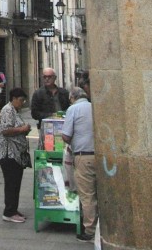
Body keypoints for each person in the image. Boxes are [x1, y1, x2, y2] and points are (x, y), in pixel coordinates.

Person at [62, 86, 98, 243]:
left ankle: (90, 231)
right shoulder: (93, 106)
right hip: (99, 155)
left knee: (87, 195)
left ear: (72, 97)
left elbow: (66, 136)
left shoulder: (73, 109)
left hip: (83, 156)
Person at [0, 86, 32, 223]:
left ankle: (13, 209)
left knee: (16, 182)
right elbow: (5, 130)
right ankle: (9, 212)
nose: (22, 103)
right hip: (8, 153)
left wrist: (24, 129)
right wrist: (22, 129)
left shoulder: (14, 110)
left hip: (15, 154)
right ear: (14, 99)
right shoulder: (7, 110)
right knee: (11, 182)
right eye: (21, 100)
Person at [31, 67, 69, 145]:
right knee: (48, 147)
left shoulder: (64, 92)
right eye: (45, 77)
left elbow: (68, 108)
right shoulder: (38, 94)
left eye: (49, 77)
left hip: (63, 126)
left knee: (62, 146)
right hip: (47, 128)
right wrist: (51, 115)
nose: (47, 79)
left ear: (55, 78)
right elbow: (34, 114)